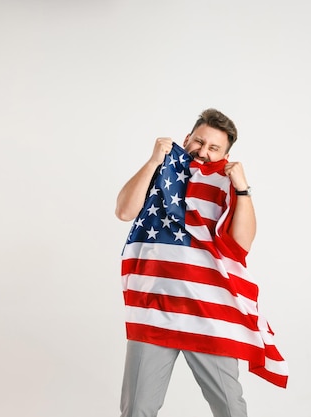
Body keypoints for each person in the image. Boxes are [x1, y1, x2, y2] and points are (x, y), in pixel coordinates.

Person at [115, 108, 286, 417]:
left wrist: (242, 187)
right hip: (155, 307)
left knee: (230, 407)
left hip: (207, 310)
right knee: (137, 408)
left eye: (214, 148)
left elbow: (241, 245)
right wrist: (154, 160)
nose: (203, 152)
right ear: (187, 139)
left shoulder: (226, 182)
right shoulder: (161, 171)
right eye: (199, 142)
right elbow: (125, 211)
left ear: (226, 154)